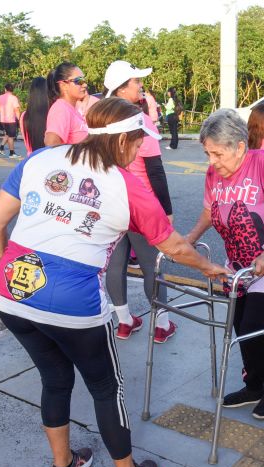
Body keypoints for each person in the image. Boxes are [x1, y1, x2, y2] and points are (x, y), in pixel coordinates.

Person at [0, 97, 228, 467]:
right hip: (73, 303)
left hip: (12, 293)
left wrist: (4, 262)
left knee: (55, 379)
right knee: (105, 387)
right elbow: (175, 248)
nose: (138, 151)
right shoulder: (128, 187)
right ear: (122, 142)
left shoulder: (40, 159)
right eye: (137, 143)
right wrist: (208, 267)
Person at [185, 109, 264, 420]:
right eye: (207, 153)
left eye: (217, 153)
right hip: (238, 266)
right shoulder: (215, 173)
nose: (212, 161)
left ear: (239, 147)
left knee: (257, 329)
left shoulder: (263, 164)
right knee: (239, 326)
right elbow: (210, 211)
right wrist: (188, 239)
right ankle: (253, 384)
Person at [102, 60, 177, 341]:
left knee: (116, 265)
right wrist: (167, 211)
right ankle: (161, 324)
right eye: (136, 81)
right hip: (139, 203)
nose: (140, 85)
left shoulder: (98, 116)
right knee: (152, 266)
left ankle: (123, 322)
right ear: (121, 87)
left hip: (109, 203)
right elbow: (155, 169)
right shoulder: (137, 119)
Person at [44, 62, 89, 146]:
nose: (85, 85)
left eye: (84, 80)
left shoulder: (71, 109)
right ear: (63, 85)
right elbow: (51, 143)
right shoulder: (61, 109)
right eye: (79, 81)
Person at [20, 76, 48, 154]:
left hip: (31, 159)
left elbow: (27, 141)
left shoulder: (24, 116)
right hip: (48, 158)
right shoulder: (51, 114)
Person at [0, 84, 20, 158]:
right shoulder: (13, 98)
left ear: (5, 89)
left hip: (3, 119)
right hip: (11, 120)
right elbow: (16, 109)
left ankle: (1, 147)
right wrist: (19, 119)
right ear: (12, 90)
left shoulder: (0, 97)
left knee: (8, 134)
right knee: (11, 137)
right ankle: (11, 153)